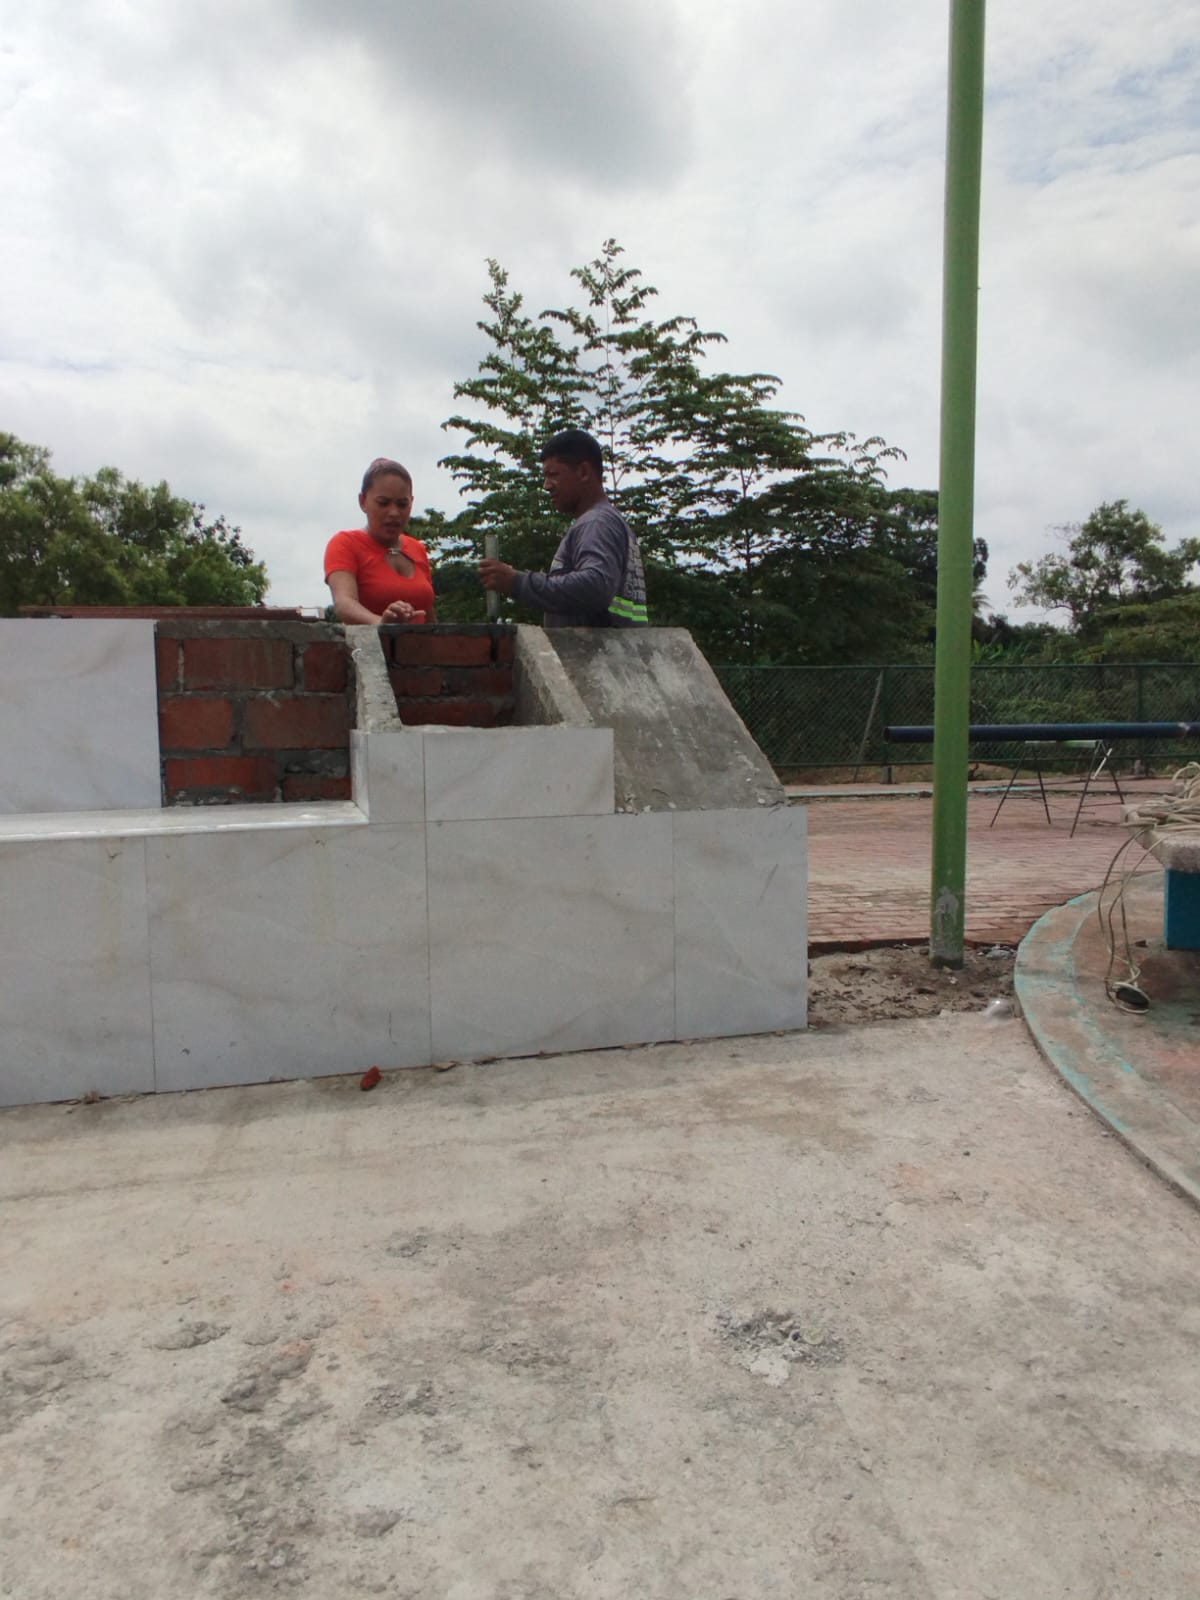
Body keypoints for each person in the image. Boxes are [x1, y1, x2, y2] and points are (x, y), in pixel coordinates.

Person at [477, 429, 648, 627]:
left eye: (553, 475)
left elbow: (595, 586)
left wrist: (517, 582)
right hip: (617, 646)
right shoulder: (608, 521)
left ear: (583, 472)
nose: (546, 486)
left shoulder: (596, 523)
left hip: (594, 648)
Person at [324, 458, 436, 625]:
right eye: (383, 503)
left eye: (402, 504)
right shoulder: (345, 544)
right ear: (363, 501)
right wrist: (383, 624)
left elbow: (429, 616)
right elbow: (344, 604)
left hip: (419, 642)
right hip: (369, 642)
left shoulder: (417, 548)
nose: (394, 513)